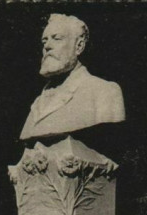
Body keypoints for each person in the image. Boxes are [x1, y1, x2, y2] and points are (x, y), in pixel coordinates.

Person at [20, 14, 125, 143]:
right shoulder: (37, 103)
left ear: (79, 46)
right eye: (44, 41)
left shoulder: (104, 91)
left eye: (57, 38)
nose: (47, 46)